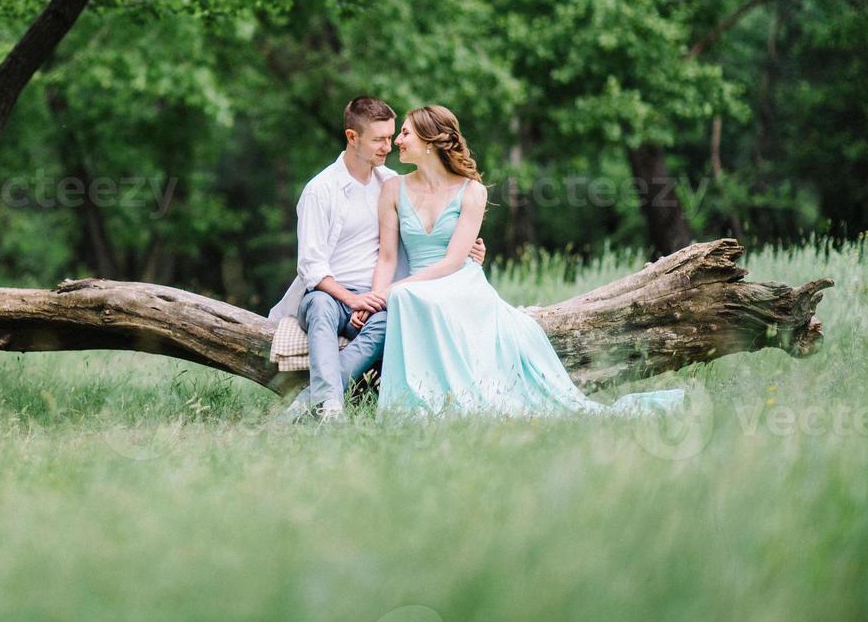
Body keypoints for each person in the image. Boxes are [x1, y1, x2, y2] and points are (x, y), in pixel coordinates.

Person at [369, 104, 686, 418]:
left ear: (430, 141)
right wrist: (373, 300)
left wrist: (394, 289)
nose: (397, 140)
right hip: (421, 284)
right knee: (405, 296)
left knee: (404, 294)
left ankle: (445, 401)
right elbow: (386, 256)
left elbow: (453, 261)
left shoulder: (472, 192)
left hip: (458, 281)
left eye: (405, 133)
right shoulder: (393, 188)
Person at [268, 96, 485, 423]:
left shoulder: (391, 184)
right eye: (379, 139)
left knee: (395, 320)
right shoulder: (321, 190)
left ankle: (313, 401)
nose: (388, 146)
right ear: (352, 138)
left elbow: (421, 232)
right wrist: (353, 300)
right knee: (319, 307)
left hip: (376, 298)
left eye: (392, 136)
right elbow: (311, 269)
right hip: (330, 293)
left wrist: (467, 248)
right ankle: (331, 406)